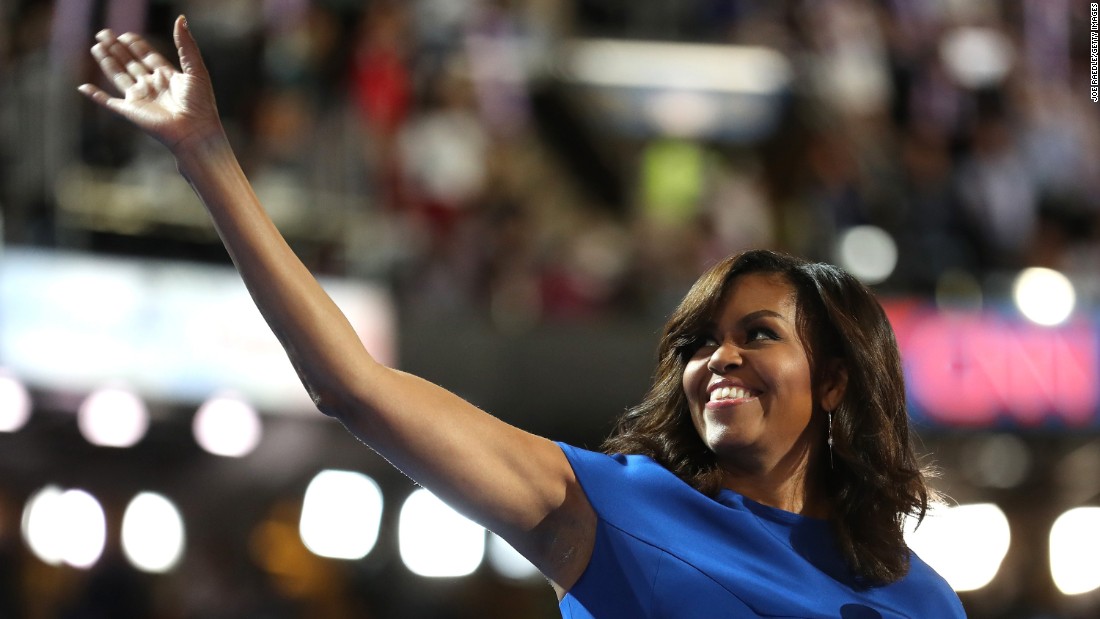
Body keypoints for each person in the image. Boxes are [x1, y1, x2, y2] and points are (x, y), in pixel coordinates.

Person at [80, 17, 966, 618]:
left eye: (757, 333)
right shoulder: (610, 506)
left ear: (838, 378)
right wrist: (207, 159)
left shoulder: (923, 600)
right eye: (697, 342)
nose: (716, 360)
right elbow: (351, 386)